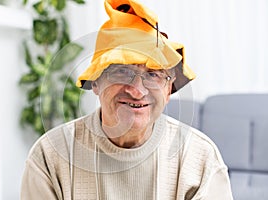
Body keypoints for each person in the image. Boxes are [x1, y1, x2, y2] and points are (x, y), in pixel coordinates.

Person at [21, 0, 233, 199]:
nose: (137, 91)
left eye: (153, 74)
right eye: (121, 71)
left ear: (168, 89)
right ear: (96, 82)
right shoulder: (49, 156)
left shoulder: (200, 159)